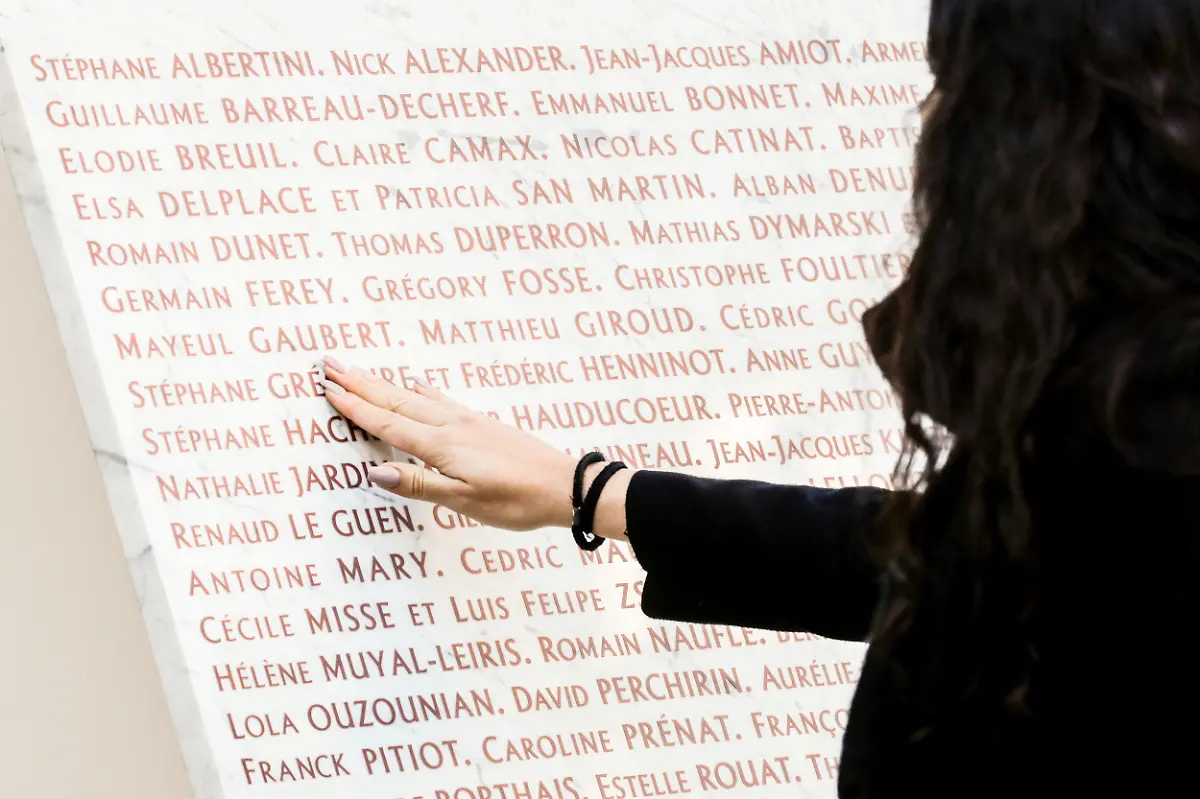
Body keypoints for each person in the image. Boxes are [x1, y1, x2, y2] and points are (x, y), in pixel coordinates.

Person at [319, 0, 1200, 796]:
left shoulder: (1150, 435)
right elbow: (961, 557)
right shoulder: (1130, 397)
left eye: (950, 87)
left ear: (1038, 139)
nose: (926, 122)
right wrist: (594, 492)